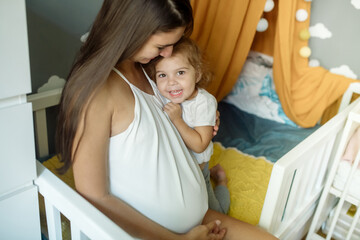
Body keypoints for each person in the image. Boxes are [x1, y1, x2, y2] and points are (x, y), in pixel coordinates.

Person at [56, 0, 278, 239]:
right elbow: (94, 195)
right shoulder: (96, 93)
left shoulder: (150, 68)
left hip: (202, 218)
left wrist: (202, 114)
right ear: (131, 31)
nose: (168, 53)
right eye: (162, 45)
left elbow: (162, 125)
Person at [148, 37, 230, 214]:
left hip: (197, 174)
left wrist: (177, 119)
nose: (171, 82)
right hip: (176, 172)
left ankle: (221, 180)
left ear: (197, 74)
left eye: (180, 73)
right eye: (162, 75)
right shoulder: (164, 94)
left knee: (218, 213)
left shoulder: (204, 103)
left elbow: (200, 145)